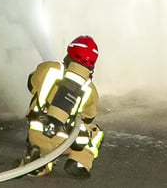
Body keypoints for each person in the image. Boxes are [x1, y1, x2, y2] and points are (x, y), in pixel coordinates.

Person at [20, 35, 104, 179]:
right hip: (63, 143)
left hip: (35, 133)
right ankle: (79, 162)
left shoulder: (48, 68)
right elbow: (89, 117)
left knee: (42, 148)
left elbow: (31, 84)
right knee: (96, 132)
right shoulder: (90, 89)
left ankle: (37, 161)